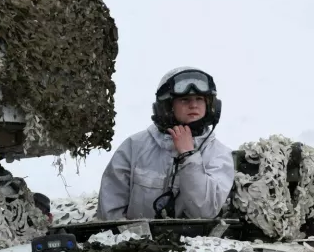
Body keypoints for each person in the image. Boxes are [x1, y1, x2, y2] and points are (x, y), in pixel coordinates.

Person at [97, 67, 235, 220]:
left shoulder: (219, 154)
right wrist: (133, 241)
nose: (194, 105)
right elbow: (109, 211)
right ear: (168, 105)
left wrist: (189, 156)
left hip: (194, 242)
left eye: (199, 99)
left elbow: (205, 211)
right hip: (135, 242)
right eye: (185, 99)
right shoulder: (134, 146)